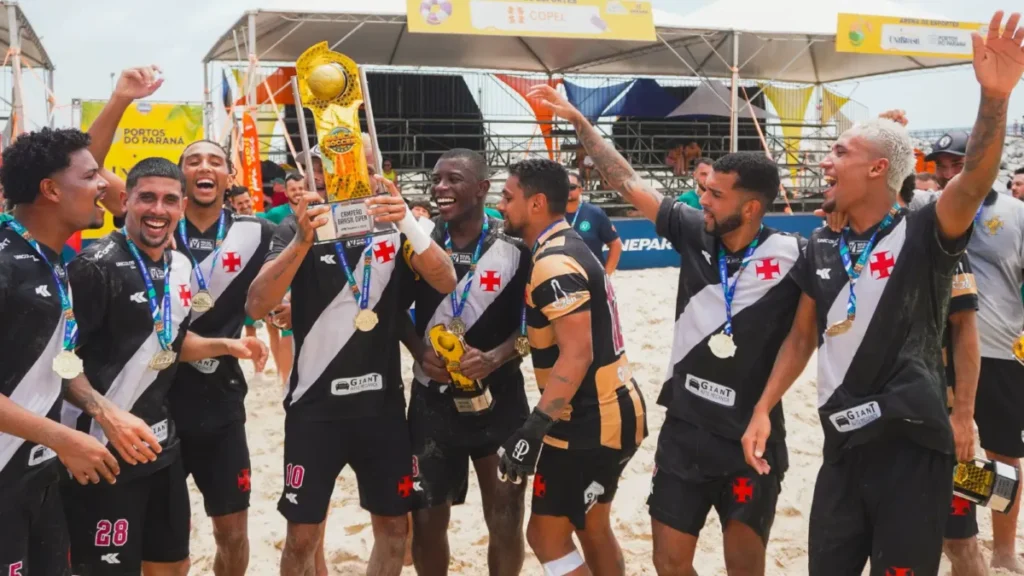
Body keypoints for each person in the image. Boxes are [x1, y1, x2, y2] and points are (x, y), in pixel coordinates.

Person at [740, 12, 1022, 574]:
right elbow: (800, 339)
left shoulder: (922, 234)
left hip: (913, 448)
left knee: (953, 539)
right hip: (842, 447)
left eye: (840, 152)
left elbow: (971, 182)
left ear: (876, 169)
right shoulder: (819, 246)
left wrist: (994, 98)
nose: (825, 160)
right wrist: (763, 408)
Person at [537, 81, 808, 576]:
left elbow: (805, 340)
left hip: (749, 434)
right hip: (684, 428)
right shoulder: (692, 229)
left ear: (750, 208)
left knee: (745, 566)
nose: (703, 199)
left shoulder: (793, 254)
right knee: (668, 563)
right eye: (703, 189)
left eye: (715, 195)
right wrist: (581, 123)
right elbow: (625, 180)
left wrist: (766, 407)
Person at [246, 160, 457, 575]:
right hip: (314, 410)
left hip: (381, 410)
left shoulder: (395, 225)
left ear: (376, 169)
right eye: (328, 164)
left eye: (358, 163)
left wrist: (407, 225)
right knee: (302, 536)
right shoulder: (297, 227)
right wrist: (303, 241)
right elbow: (256, 304)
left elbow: (446, 280)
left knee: (395, 530)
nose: (343, 172)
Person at [60, 157, 266, 575]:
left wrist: (225, 345)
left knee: (172, 567)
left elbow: (168, 342)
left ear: (182, 204)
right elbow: (58, 360)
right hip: (101, 451)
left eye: (169, 200)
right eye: (147, 198)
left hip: (160, 447)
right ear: (125, 200)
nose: (158, 210)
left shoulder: (181, 266)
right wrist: (105, 414)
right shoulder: (93, 266)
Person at [496, 158, 647, 576]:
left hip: (588, 420)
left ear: (537, 203)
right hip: (614, 408)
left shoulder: (552, 262)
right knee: (591, 526)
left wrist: (534, 426)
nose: (500, 205)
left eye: (508, 197)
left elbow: (577, 353)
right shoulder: (562, 246)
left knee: (545, 535)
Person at [0, 127, 124, 576]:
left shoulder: (51, 260)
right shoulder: (4, 262)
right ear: (50, 190)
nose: (105, 185)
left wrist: (104, 411)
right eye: (92, 175)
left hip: (38, 478)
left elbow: (51, 362)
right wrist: (63, 437)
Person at [401, 149, 531, 576]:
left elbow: (539, 323)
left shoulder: (515, 244)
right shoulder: (418, 241)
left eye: (454, 180)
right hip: (432, 403)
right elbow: (393, 310)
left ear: (481, 188)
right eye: (436, 179)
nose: (441, 188)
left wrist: (495, 357)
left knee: (507, 514)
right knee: (426, 517)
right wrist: (419, 350)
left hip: (501, 399)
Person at [168, 139, 279, 576]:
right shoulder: (157, 223)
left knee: (231, 533)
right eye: (193, 161)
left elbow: (271, 292)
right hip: (157, 400)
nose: (204, 167)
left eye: (215, 160)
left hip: (222, 399)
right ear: (182, 174)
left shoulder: (254, 232)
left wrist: (282, 305)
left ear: (229, 176)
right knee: (167, 536)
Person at [898, 173, 986, 576]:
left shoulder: (941, 244)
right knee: (897, 539)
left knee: (961, 540)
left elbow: (966, 328)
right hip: (887, 418)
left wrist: (964, 417)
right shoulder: (850, 241)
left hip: (944, 416)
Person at [565, 171, 622, 276]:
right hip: (561, 277)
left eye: (571, 187)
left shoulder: (595, 213)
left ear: (581, 189)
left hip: (591, 278)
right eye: (563, 187)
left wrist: (606, 276)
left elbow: (616, 244)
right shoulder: (551, 214)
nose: (567, 190)